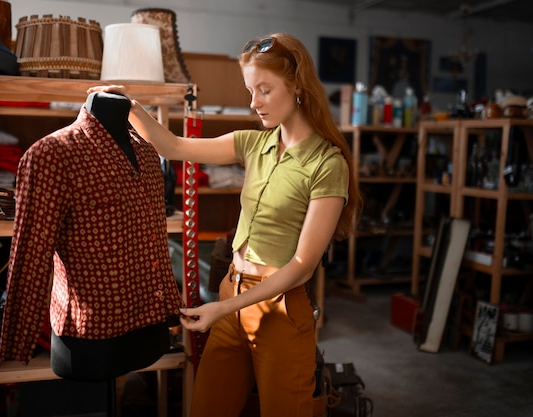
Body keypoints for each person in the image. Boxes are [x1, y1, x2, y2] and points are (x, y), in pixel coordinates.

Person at [88, 32, 362, 417]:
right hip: (231, 294)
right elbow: (174, 147)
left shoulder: (326, 164)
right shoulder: (253, 144)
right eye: (251, 90)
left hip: (279, 312)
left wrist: (223, 308)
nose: (254, 103)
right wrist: (130, 105)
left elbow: (301, 267)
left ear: (297, 85)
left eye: (264, 90)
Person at [0, 92, 183, 382]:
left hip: (150, 322)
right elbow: (31, 253)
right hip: (92, 336)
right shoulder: (53, 153)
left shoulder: (147, 152)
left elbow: (155, 243)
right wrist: (18, 341)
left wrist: (170, 304)